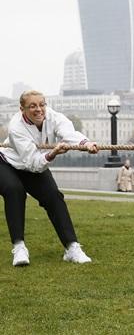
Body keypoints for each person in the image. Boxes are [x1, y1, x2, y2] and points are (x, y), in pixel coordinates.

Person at [0, 90, 97, 266]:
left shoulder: (53, 116)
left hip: (34, 162)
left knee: (53, 196)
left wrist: (85, 144)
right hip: (7, 163)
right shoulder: (16, 127)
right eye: (32, 106)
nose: (39, 109)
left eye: (42, 104)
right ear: (22, 109)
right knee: (15, 191)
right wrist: (52, 153)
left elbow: (69, 133)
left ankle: (72, 247)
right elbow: (32, 163)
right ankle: (19, 247)